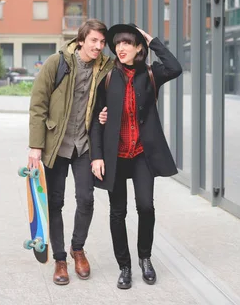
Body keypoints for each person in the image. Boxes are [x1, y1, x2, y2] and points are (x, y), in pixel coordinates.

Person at [89, 23, 182, 289]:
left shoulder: (151, 74)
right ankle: (125, 266)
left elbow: (175, 67)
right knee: (118, 212)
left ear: (138, 47)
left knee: (145, 207)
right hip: (115, 156)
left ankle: (145, 258)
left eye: (127, 43)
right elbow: (97, 120)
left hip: (142, 155)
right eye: (117, 44)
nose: (121, 48)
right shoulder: (107, 78)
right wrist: (97, 156)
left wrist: (153, 41)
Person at [28, 19, 114, 285]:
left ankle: (78, 249)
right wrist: (35, 146)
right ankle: (61, 259)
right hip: (56, 145)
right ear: (81, 41)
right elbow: (38, 104)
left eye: (102, 42)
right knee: (55, 202)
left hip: (85, 145)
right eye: (93, 41)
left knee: (86, 200)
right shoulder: (58, 63)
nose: (98, 47)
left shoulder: (107, 68)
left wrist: (106, 113)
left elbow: (120, 91)